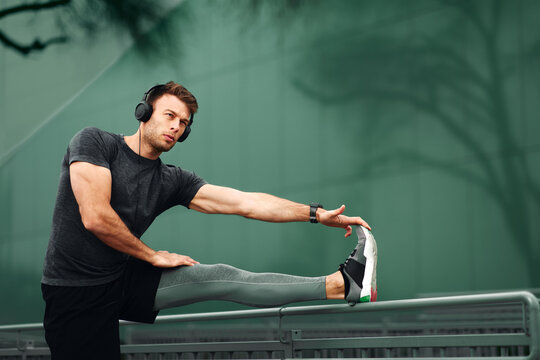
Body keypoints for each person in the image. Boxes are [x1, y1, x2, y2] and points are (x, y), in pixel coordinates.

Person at [41, 81, 373, 359]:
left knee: (221, 276)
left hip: (122, 278)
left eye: (183, 123)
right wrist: (152, 255)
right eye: (170, 115)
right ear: (143, 113)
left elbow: (246, 203)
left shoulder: (172, 180)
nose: (176, 126)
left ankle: (342, 285)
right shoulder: (95, 143)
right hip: (74, 291)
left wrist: (314, 214)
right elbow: (95, 217)